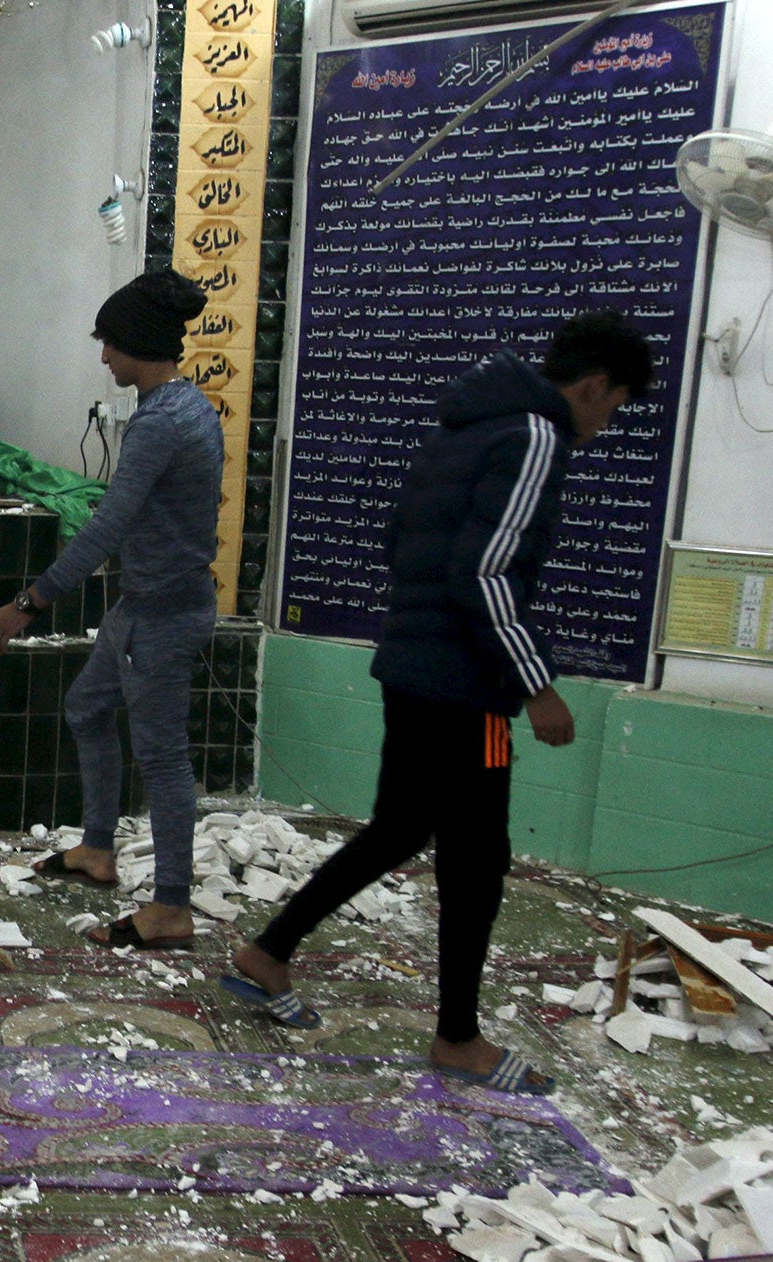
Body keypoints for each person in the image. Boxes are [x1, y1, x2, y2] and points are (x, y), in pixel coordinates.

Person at [222, 310, 655, 1094]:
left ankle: (268, 952)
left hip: (416, 671)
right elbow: (486, 572)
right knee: (478, 859)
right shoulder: (535, 436)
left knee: (399, 828)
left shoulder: (468, 426)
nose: (604, 424)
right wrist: (536, 684)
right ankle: (458, 1037)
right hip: (472, 694)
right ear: (594, 387)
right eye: (613, 408)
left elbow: (402, 542)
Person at [0, 266, 224, 950]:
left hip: (163, 616)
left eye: (110, 344)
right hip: (142, 605)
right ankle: (96, 850)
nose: (103, 357)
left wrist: (29, 602)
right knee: (87, 707)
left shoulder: (161, 425)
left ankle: (171, 906)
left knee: (165, 760)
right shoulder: (185, 407)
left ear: (139, 344)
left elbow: (108, 525)